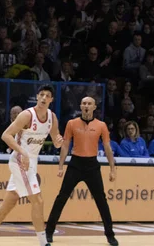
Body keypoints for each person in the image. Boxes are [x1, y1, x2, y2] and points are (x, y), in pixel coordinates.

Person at [0, 85, 63, 246]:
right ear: (37, 96)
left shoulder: (52, 117)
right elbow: (6, 135)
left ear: (51, 100)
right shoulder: (27, 115)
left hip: (32, 161)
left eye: (47, 96)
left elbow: (56, 141)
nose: (43, 98)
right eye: (41, 94)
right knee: (38, 201)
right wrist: (23, 152)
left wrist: (58, 141)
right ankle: (43, 242)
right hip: (20, 160)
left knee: (9, 202)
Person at [44, 97, 118, 246]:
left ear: (94, 107)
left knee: (101, 200)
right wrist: (60, 166)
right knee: (61, 198)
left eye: (89, 103)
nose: (86, 106)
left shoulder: (101, 125)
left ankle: (110, 234)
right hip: (75, 164)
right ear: (80, 106)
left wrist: (112, 168)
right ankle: (49, 232)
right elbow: (65, 145)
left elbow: (108, 147)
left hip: (92, 165)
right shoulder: (72, 123)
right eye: (84, 103)